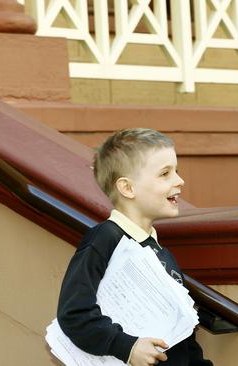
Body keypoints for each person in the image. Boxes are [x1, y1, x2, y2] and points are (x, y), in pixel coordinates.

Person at [57, 128, 212, 366]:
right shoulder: (104, 238)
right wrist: (127, 347)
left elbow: (184, 337)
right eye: (165, 174)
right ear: (127, 188)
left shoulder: (162, 254)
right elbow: (74, 314)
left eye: (176, 171)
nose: (179, 180)